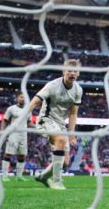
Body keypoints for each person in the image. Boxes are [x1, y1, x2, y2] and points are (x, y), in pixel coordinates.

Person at [29, 59, 83, 190]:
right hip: (46, 119)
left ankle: (43, 176)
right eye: (69, 70)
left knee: (65, 163)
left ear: (78, 74)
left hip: (60, 124)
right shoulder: (52, 85)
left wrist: (71, 134)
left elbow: (73, 114)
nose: (72, 73)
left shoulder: (78, 90)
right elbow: (36, 101)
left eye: (75, 71)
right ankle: (56, 181)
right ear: (63, 71)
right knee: (60, 139)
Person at [0, 93, 34, 181]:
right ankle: (4, 175)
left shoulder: (28, 110)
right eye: (21, 97)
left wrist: (38, 127)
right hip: (13, 134)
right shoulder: (11, 109)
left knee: (22, 156)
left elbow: (29, 122)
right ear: (17, 98)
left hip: (24, 134)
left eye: (24, 97)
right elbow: (5, 121)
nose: (23, 99)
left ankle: (19, 176)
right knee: (8, 154)